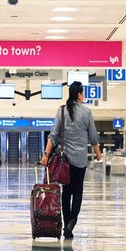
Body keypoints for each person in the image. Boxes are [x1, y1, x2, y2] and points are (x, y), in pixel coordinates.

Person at [41, 81, 102, 239]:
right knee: (78, 191)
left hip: (65, 161)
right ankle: (72, 222)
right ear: (80, 94)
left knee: (66, 192)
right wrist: (98, 154)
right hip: (80, 160)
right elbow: (93, 137)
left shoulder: (61, 111)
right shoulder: (87, 112)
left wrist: (46, 155)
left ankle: (66, 222)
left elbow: (53, 136)